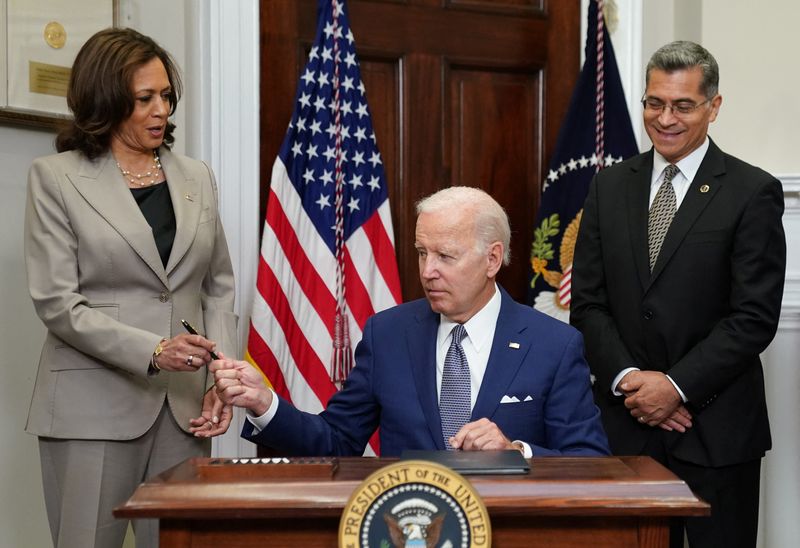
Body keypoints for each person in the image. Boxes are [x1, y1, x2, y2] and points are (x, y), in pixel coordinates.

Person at [24, 28, 238, 548]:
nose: (160, 110)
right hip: (90, 408)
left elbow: (218, 286)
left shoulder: (197, 176)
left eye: (166, 96)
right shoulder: (55, 177)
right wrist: (154, 350)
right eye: (144, 99)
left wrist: (222, 375)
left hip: (185, 410)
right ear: (107, 101)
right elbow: (58, 302)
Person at [204, 186, 609, 457]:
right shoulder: (388, 334)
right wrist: (264, 403)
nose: (428, 271)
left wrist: (516, 452)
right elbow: (336, 441)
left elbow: (590, 461)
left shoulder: (554, 344)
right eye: (420, 253)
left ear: (491, 259)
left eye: (445, 256)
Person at [570, 41, 785, 548]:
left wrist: (675, 386)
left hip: (716, 433)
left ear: (714, 106)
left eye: (683, 106)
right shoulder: (609, 186)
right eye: (654, 103)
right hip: (624, 429)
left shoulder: (751, 192)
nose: (665, 118)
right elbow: (588, 304)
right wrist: (631, 381)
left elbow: (753, 317)